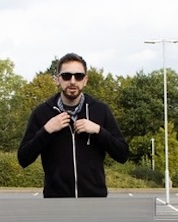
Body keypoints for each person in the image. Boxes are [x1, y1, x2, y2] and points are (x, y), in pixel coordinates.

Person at [17, 53, 129, 198]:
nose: (72, 81)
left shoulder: (100, 111)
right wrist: (46, 130)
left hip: (94, 202)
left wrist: (98, 130)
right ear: (57, 79)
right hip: (56, 202)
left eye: (78, 76)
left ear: (85, 80)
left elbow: (122, 154)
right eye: (66, 76)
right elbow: (23, 159)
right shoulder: (42, 113)